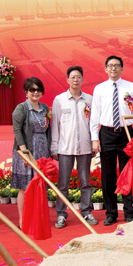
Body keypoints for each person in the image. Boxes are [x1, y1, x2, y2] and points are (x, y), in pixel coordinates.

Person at [89, 55, 133, 226]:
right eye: (110, 65)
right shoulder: (99, 89)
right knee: (108, 175)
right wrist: (95, 139)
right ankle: (110, 213)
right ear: (106, 69)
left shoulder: (131, 87)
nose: (113, 68)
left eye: (117, 65)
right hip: (107, 134)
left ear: (122, 68)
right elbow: (95, 115)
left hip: (126, 133)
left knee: (128, 173)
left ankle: (129, 212)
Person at [50, 66, 97, 228]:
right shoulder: (59, 100)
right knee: (63, 183)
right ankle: (61, 214)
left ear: (82, 80)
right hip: (65, 148)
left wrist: (94, 143)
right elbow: (54, 126)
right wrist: (54, 148)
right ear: (67, 80)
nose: (75, 80)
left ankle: (86, 211)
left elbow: (93, 124)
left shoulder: (89, 99)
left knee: (85, 182)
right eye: (72, 77)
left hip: (85, 147)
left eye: (78, 77)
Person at [11, 77, 51, 227]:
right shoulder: (21, 108)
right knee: (25, 186)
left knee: (39, 185)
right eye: (32, 90)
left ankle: (37, 218)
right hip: (26, 149)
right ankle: (23, 220)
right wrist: (24, 153)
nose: (35, 92)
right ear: (26, 92)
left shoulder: (45, 108)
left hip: (42, 148)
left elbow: (48, 129)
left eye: (38, 90)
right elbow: (17, 130)